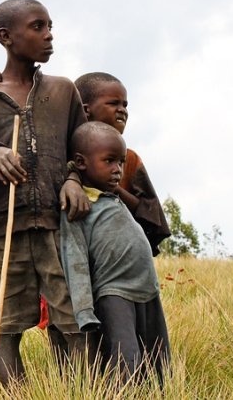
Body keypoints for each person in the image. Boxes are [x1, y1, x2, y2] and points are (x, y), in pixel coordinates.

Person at [0, 0, 90, 386]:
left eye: (50, 26)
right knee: (6, 330)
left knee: (74, 325)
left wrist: (72, 180)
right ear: (6, 37)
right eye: (37, 27)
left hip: (58, 228)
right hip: (1, 231)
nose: (49, 36)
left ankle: (77, 394)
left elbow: (81, 154)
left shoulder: (64, 92)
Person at [60, 121, 170, 384]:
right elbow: (73, 257)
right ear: (81, 162)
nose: (117, 170)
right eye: (109, 161)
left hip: (148, 292)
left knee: (159, 362)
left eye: (120, 162)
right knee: (125, 363)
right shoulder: (79, 203)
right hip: (113, 293)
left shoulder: (114, 198)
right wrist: (85, 311)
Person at [74, 72, 171, 254]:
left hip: (117, 254)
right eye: (113, 103)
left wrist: (115, 190)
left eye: (125, 105)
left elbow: (152, 219)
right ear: (86, 109)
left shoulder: (130, 159)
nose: (122, 110)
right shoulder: (64, 152)